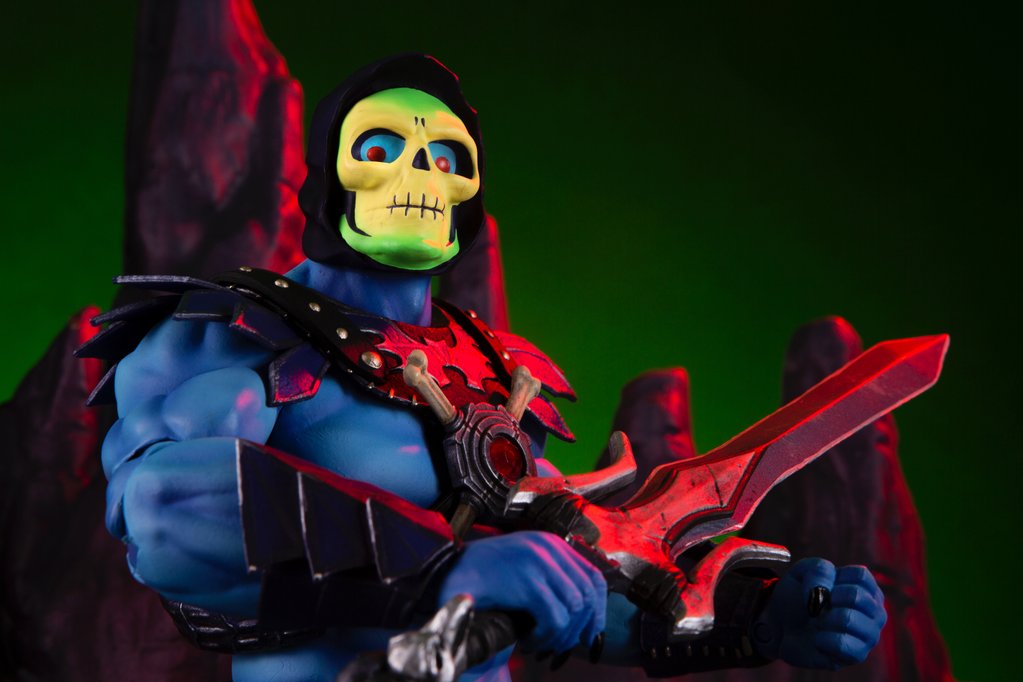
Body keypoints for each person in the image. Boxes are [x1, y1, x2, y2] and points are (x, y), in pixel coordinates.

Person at [83, 54, 886, 681]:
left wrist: (755, 618)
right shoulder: (232, 332)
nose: (420, 176)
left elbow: (569, 599)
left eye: (447, 157)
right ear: (328, 171)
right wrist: (441, 566)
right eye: (380, 150)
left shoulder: (495, 371)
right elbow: (162, 510)